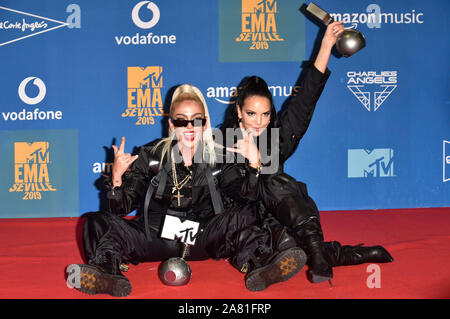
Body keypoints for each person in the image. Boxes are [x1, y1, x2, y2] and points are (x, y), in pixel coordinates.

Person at [67, 84, 307, 297]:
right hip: (155, 236)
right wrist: (117, 179)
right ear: (171, 123)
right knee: (94, 221)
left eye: (197, 120)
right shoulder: (150, 156)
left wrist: (255, 165)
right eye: (182, 120)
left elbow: (246, 196)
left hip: (203, 238)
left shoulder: (220, 157)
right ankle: (107, 272)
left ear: (205, 123)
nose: (190, 127)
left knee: (248, 212)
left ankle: (260, 264)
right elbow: (120, 209)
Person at [220, 22, 393, 284]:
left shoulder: (273, 139)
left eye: (265, 114)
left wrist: (325, 46)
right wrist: (256, 163)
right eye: (252, 114)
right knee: (272, 192)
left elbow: (305, 100)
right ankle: (335, 254)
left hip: (277, 216)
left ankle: (315, 254)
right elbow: (240, 194)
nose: (259, 121)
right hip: (239, 221)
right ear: (239, 112)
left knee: (279, 189)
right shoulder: (223, 142)